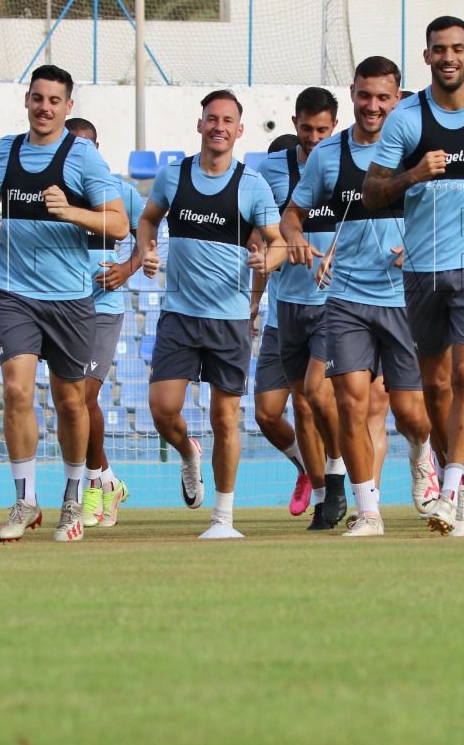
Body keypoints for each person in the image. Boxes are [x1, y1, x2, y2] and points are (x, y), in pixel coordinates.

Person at [365, 16, 464, 537]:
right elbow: (372, 193)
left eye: (457, 48)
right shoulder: (405, 119)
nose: (449, 57)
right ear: (427, 57)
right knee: (434, 385)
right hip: (423, 268)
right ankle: (453, 470)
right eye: (439, 49)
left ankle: (454, 488)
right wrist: (414, 174)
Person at [284, 56, 439, 538]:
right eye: (365, 95)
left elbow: (446, 214)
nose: (373, 106)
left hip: (405, 299)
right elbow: (293, 214)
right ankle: (368, 511)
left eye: (383, 97)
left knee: (411, 414)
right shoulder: (328, 155)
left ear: (398, 98)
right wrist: (295, 238)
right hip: (347, 297)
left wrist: (419, 244)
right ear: (352, 94)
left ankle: (422, 453)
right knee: (350, 403)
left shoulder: (417, 150)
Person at [0, 66, 128, 543]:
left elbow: (119, 224)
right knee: (16, 391)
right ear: (27, 100)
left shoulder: (83, 157)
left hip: (70, 299)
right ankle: (25, 501)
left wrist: (70, 211)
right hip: (14, 293)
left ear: (68, 106)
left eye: (54, 100)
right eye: (38, 98)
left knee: (71, 402)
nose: (45, 108)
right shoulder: (4, 152)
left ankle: (73, 499)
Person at [140, 90, 284, 539]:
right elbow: (147, 219)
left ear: (239, 130)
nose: (219, 126)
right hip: (179, 315)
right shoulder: (173, 176)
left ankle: (223, 517)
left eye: (227, 120)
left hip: (229, 319)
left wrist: (268, 259)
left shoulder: (252, 185)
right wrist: (146, 249)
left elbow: (278, 242)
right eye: (212, 118)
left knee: (225, 418)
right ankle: (188, 453)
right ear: (200, 124)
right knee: (163, 410)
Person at [260, 89, 350, 530]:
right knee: (292, 405)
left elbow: (365, 222)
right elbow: (262, 229)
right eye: (307, 128)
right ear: (295, 123)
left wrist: (336, 252)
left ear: (335, 126)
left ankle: (337, 474)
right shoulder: (271, 170)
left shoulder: (349, 163)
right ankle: (320, 496)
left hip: (335, 302)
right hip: (286, 306)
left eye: (322, 130)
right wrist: (270, 252)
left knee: (317, 392)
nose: (314, 138)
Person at [65, 117, 142, 529]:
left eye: (87, 145)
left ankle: (93, 486)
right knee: (73, 401)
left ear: (97, 148)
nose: (80, 151)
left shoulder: (120, 193)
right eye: (72, 144)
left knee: (83, 395)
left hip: (103, 308)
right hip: (63, 307)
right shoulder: (55, 193)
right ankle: (108, 481)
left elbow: (148, 232)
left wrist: (127, 269)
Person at [250, 134, 318, 518]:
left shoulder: (324, 188)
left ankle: (333, 486)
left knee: (316, 404)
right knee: (266, 412)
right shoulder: (269, 213)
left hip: (326, 313)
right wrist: (254, 303)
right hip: (281, 319)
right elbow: (262, 251)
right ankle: (306, 466)